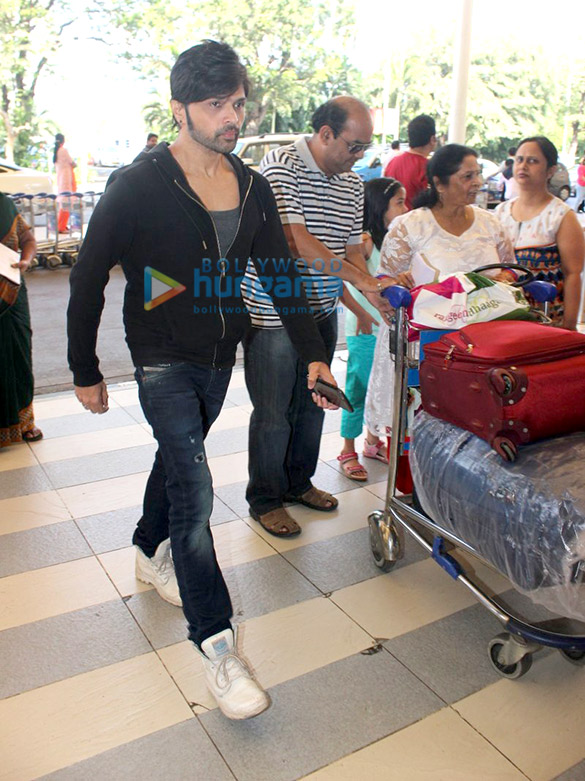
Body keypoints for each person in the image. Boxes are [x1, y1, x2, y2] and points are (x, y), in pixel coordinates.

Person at [67, 40, 339, 722]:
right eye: (216, 105)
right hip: (160, 354)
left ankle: (142, 549)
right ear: (179, 107)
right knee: (195, 485)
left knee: (175, 455)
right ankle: (218, 648)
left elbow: (278, 275)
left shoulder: (251, 185)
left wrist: (311, 353)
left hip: (223, 354)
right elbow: (87, 273)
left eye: (238, 104)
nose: (231, 118)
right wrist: (83, 367)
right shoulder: (137, 184)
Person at [242, 96, 394, 536]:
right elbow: (294, 240)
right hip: (275, 312)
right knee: (273, 410)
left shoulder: (350, 184)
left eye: (365, 148)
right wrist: (361, 282)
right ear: (325, 133)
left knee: (315, 404)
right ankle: (266, 498)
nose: (359, 156)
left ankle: (297, 483)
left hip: (323, 311)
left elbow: (350, 252)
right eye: (354, 145)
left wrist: (373, 295)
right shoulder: (280, 165)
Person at [365, 143, 516, 439]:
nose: (478, 183)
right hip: (429, 345)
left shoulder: (491, 223)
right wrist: (397, 283)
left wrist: (505, 280)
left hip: (484, 346)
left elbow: (510, 267)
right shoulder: (410, 225)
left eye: (478, 174)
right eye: (467, 176)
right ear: (439, 183)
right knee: (427, 432)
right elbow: (385, 279)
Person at [337, 178, 407, 481]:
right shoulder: (364, 242)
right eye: (399, 202)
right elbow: (339, 279)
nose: (407, 208)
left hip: (388, 330)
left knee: (382, 387)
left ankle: (372, 442)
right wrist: (360, 315)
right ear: (379, 207)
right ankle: (347, 449)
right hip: (364, 329)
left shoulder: (397, 242)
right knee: (358, 387)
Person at [496, 136, 585, 330]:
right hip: (504, 319)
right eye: (519, 159)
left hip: (547, 322)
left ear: (550, 170)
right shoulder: (501, 212)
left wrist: (569, 328)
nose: (523, 166)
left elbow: (573, 275)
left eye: (533, 161)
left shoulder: (561, 216)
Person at [0, 193, 43, 446]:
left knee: (19, 355)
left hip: (12, 292)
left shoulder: (4, 205)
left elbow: (27, 239)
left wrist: (25, 260)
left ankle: (25, 423)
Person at [383, 114, 436, 210]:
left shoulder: (393, 162)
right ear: (432, 139)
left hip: (393, 222)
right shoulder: (428, 167)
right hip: (417, 221)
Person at [53, 133, 77, 233]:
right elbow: (73, 163)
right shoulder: (63, 150)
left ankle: (61, 225)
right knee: (66, 204)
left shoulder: (56, 152)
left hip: (61, 180)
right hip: (67, 180)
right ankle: (61, 227)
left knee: (64, 204)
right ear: (63, 141)